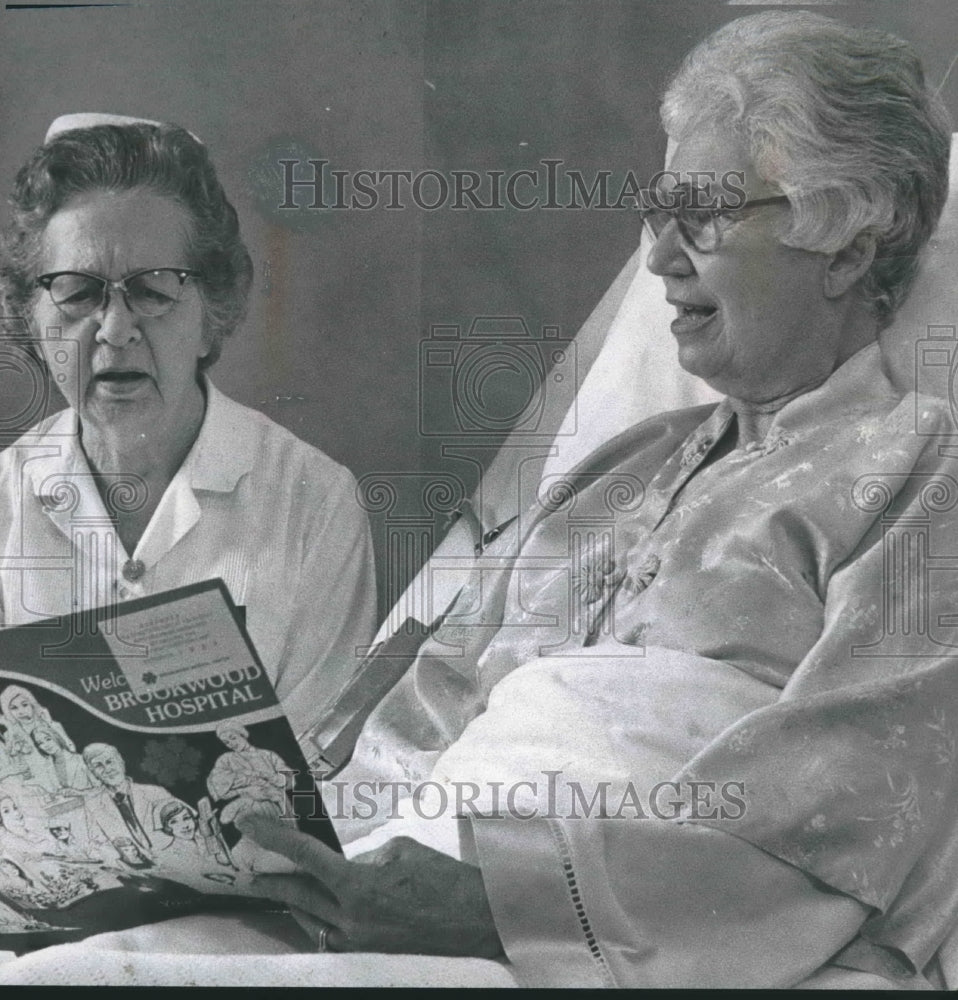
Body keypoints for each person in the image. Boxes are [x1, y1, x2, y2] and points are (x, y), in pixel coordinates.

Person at [228, 12, 958, 989]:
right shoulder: (609, 474)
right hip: (409, 893)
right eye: (654, 211)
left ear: (846, 237)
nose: (656, 257)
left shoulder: (920, 475)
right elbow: (413, 731)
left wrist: (492, 904)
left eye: (698, 213)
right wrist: (283, 848)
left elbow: (845, 808)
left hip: (592, 939)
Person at [0, 114, 378, 749]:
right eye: (77, 292)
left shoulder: (313, 504)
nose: (116, 330)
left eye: (154, 290)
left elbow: (331, 774)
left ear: (212, 314)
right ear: (32, 322)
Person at [81, 743, 171, 863]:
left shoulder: (156, 792)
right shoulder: (92, 805)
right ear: (93, 772)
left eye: (110, 762)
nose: (107, 769)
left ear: (121, 762)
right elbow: (96, 843)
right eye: (98, 766)